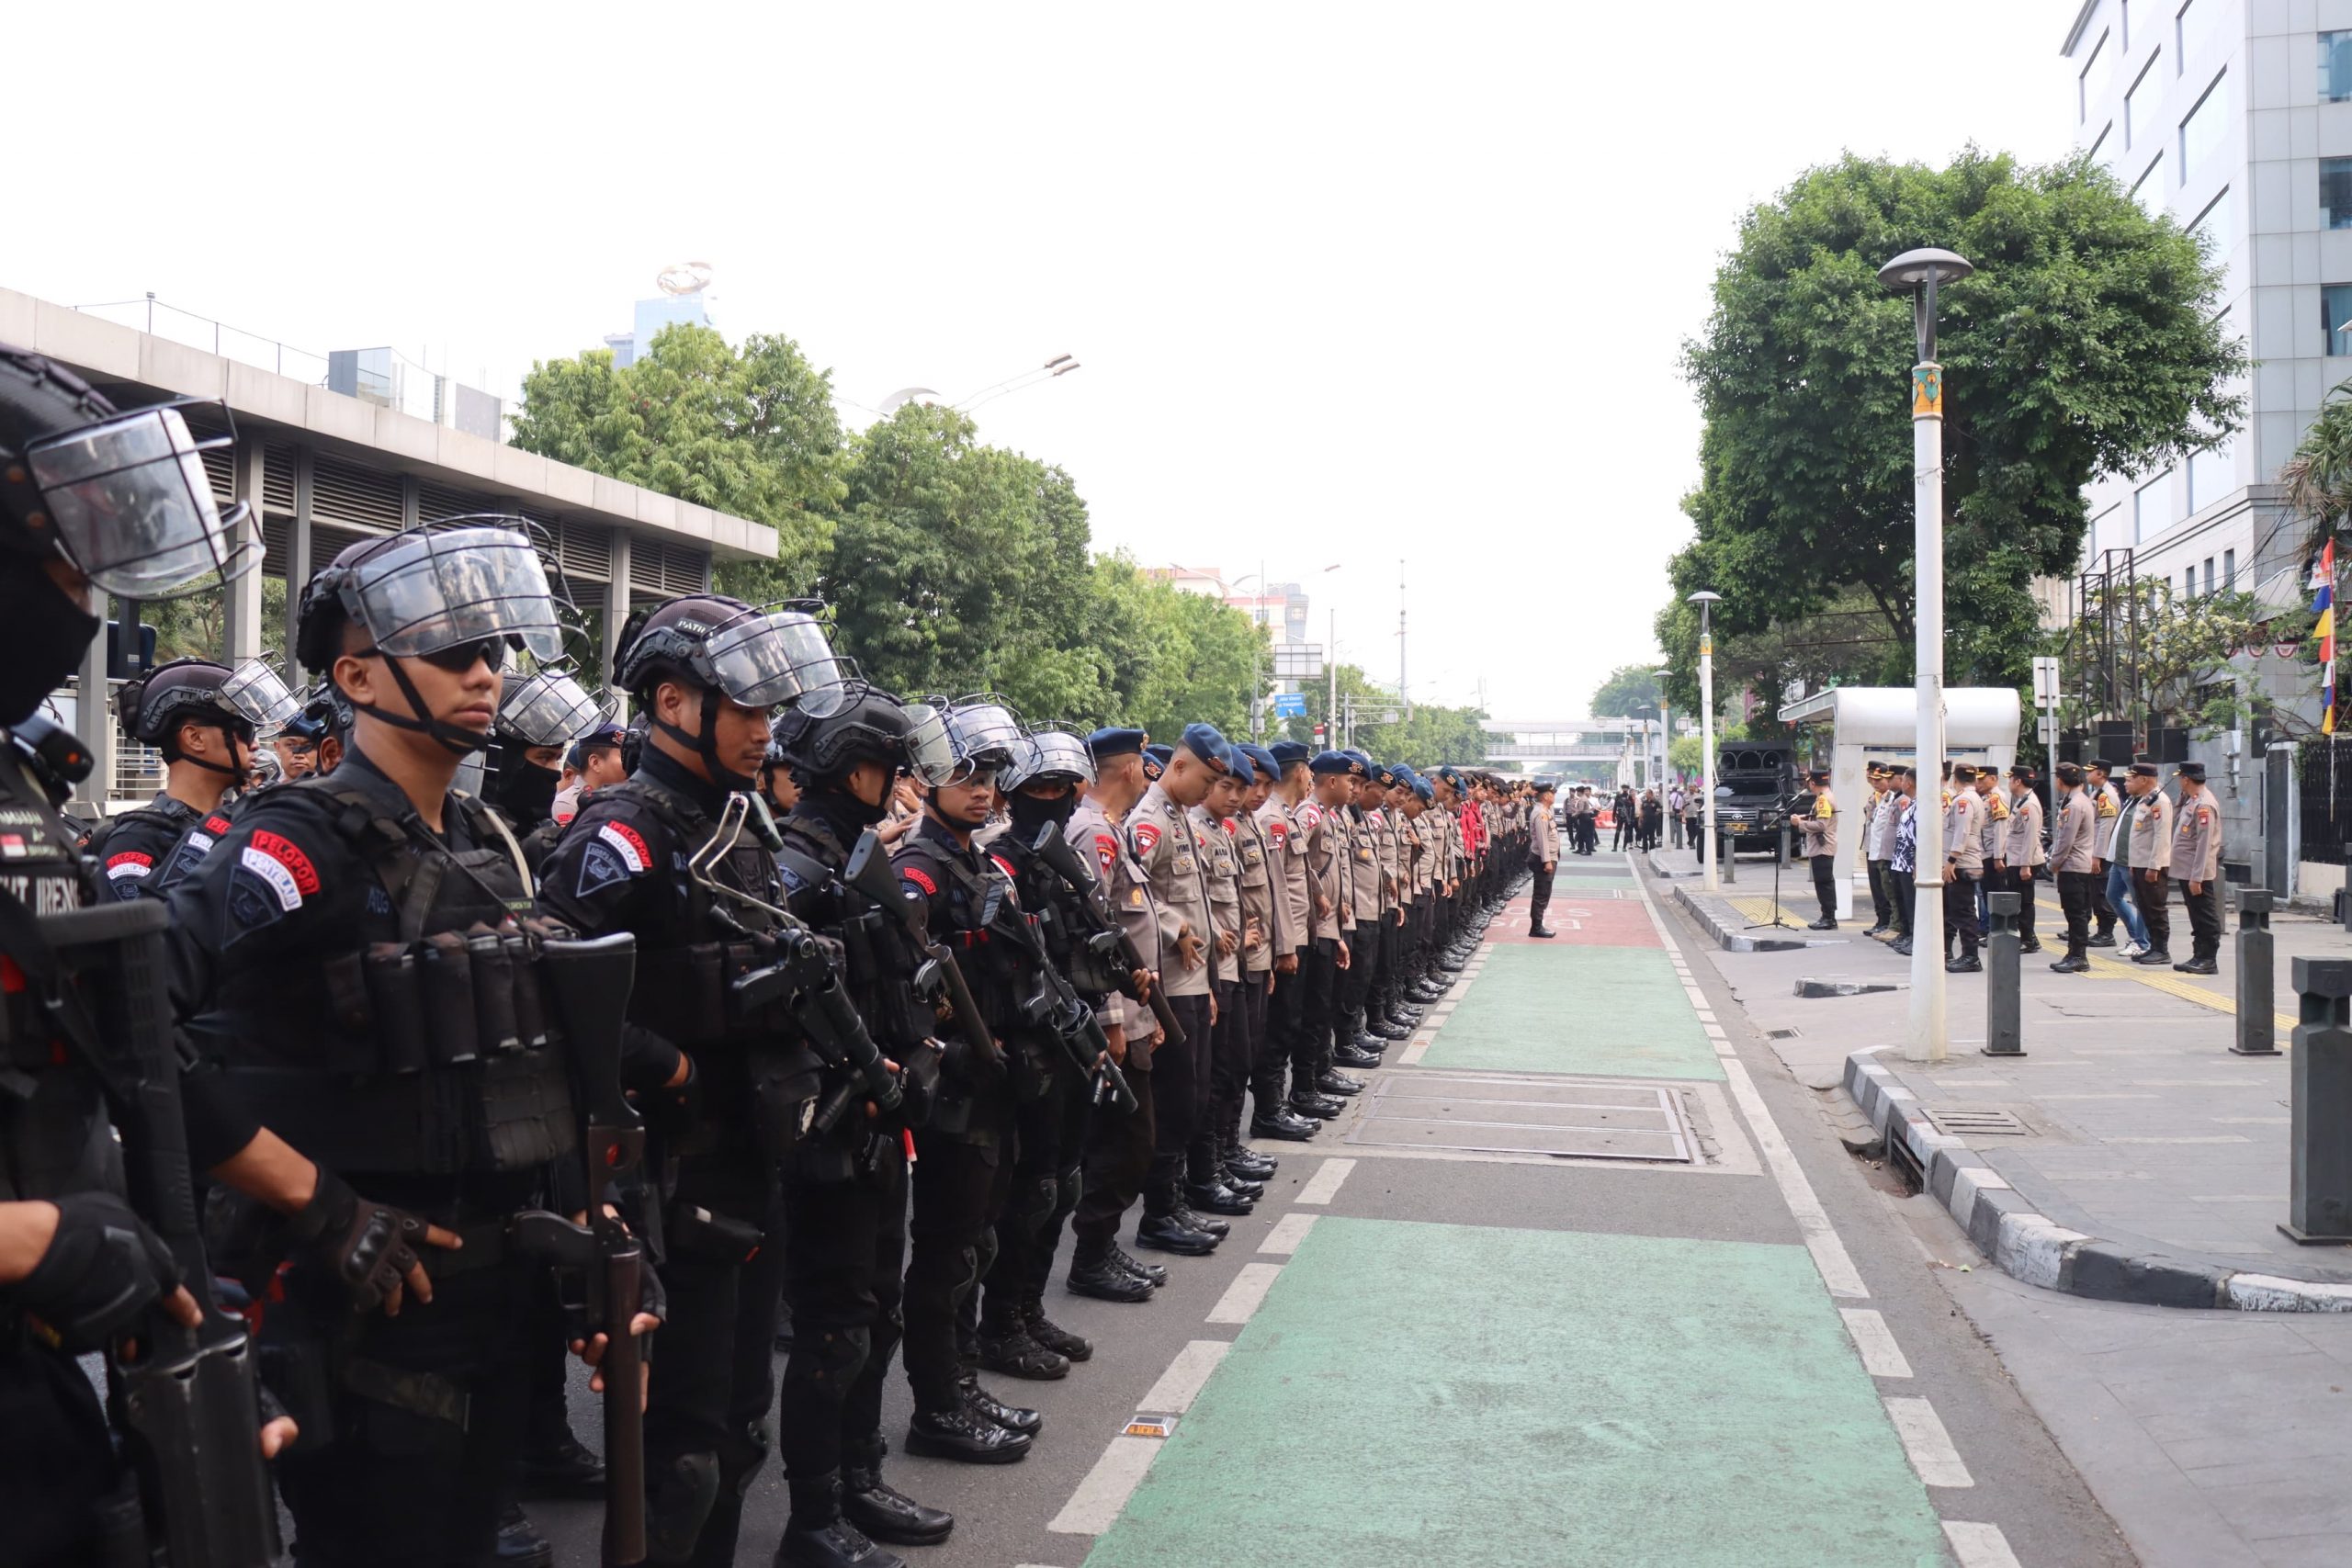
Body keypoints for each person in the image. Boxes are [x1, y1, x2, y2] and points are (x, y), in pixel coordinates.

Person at [167, 521, 658, 1568]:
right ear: (356, 673)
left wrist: (597, 1236)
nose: (485, 674)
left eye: (493, 652)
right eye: (451, 652)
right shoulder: (293, 842)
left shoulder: (491, 844)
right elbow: (134, 1034)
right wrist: (317, 1201)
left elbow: (538, 1064)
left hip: (498, 1289)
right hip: (361, 1304)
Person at [535, 593, 842, 1567]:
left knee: (741, 1430)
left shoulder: (735, 826)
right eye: (745, 709)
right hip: (671, 1180)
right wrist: (658, 1061)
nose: (767, 732)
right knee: (687, 1452)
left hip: (750, 1161)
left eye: (769, 712)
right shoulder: (625, 830)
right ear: (673, 702)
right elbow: (552, 986)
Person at [770, 683, 958, 1564]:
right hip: (830, 1139)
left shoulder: (851, 857)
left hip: (880, 1128)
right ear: (856, 771)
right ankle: (814, 1516)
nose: (901, 787)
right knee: (836, 1325)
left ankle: (858, 1477)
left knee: (873, 1313)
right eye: (890, 769)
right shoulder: (798, 870)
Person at [888, 698, 1046, 1465]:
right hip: (956, 1082)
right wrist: (949, 1044)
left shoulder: (977, 858)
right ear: (927, 779)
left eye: (988, 774)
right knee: (948, 1248)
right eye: (962, 774)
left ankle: (961, 1381)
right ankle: (937, 1404)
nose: (980, 788)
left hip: (997, 1079)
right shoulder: (918, 868)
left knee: (977, 1241)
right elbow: (906, 982)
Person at [1064, 728, 1176, 1300]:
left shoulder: (1107, 831)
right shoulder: (1091, 834)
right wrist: (1111, 1018)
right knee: (1124, 1143)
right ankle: (1090, 1257)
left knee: (1131, 1141)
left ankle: (1101, 1248)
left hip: (1134, 1013)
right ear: (1132, 769)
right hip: (1114, 1017)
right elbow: (1092, 938)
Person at [1125, 725, 1235, 1256]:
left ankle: (1175, 1202)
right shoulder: (1149, 822)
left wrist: (1209, 982)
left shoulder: (1178, 818)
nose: (1209, 790)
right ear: (1181, 767)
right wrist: (1176, 929)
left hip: (1192, 982)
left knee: (1193, 1097)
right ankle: (1159, 1214)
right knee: (1175, 1104)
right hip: (1166, 986)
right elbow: (1129, 897)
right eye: (1209, 779)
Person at [88, 655, 300, 897]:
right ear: (195, 738)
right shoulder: (137, 840)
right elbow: (137, 931)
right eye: (244, 730)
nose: (254, 745)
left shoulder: (243, 821)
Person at [2170, 761, 2222, 974]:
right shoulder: (2192, 801)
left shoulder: (2204, 805)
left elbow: (2204, 843)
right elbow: (2175, 821)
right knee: (2196, 914)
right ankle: (2198, 955)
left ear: (2186, 779)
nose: (2179, 782)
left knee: (2205, 915)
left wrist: (2197, 877)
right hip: (2187, 870)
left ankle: (2208, 959)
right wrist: (2181, 799)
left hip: (2196, 872)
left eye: (2180, 778)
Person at [2048, 762, 2099, 974]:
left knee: (2076, 913)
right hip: (2075, 865)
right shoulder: (2076, 800)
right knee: (2074, 913)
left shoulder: (2076, 805)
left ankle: (2079, 956)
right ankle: (2074, 953)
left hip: (2074, 866)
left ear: (2060, 780)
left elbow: (2065, 840)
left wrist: (2053, 863)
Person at [2088, 759, 2144, 953]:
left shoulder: (2109, 796)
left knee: (2139, 901)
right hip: (2117, 857)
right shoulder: (2130, 800)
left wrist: (2098, 855)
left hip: (2125, 858)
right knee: (2112, 895)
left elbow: (2105, 828)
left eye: (2130, 780)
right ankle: (2135, 935)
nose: (2125, 783)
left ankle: (2141, 941)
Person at [2125, 761, 2175, 966]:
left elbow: (2161, 837)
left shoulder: (2159, 801)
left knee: (2156, 908)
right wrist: (2133, 863)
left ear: (2144, 779)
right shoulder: (2145, 800)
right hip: (2139, 864)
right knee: (2144, 907)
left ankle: (2161, 949)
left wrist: (2154, 866)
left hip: (2151, 866)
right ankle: (2153, 947)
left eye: (2132, 778)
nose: (2128, 782)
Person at [1943, 763, 1985, 972]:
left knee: (1963, 912)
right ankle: (1964, 954)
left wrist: (1951, 860)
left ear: (1954, 779)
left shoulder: (1964, 800)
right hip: (1963, 861)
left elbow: (1962, 832)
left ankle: (1971, 957)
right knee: (1958, 910)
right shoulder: (1973, 797)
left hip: (1961, 863)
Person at [2004, 766, 2047, 953]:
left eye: (2010, 779)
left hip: (2024, 861)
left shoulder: (2029, 805)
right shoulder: (2023, 801)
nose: (2009, 782)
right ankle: (2028, 936)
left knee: (2025, 902)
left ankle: (2028, 939)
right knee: (2019, 900)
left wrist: (2025, 865)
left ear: (2018, 781)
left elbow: (2030, 837)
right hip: (2017, 859)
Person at [1794, 768, 1838, 931]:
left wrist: (1800, 824)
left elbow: (1821, 825)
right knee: (1824, 882)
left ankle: (1828, 918)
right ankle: (1827, 916)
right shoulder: (1825, 797)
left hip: (1822, 846)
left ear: (1812, 783)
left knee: (1824, 883)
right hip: (1823, 846)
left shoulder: (1823, 800)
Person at [1887, 767, 1919, 956]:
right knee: (1902, 900)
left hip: (1910, 862)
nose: (1903, 783)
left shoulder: (1922, 804)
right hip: (1900, 860)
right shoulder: (1912, 803)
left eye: (1905, 780)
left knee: (1911, 902)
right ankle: (1906, 933)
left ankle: (1915, 937)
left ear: (1910, 783)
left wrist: (1916, 861)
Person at [1526, 781, 1560, 936]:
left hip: (1548, 857)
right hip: (1542, 858)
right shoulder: (1541, 814)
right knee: (1541, 893)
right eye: (1552, 794)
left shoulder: (1546, 810)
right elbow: (1542, 839)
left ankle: (1538, 925)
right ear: (1546, 796)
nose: (1553, 797)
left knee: (1544, 892)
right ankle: (1536, 927)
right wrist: (1547, 861)